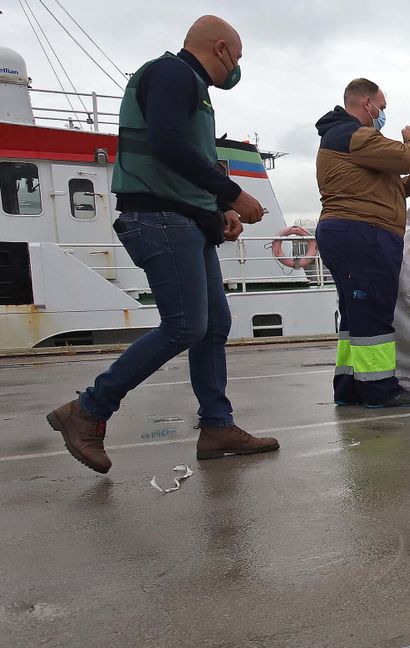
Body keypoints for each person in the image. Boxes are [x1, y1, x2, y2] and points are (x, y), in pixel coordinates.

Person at [47, 15, 276, 473]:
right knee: (186, 325)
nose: (237, 68)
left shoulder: (189, 85)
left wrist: (219, 210)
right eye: (238, 58)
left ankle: (217, 426)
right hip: (159, 219)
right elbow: (168, 143)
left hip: (182, 219)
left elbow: (176, 164)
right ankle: (88, 409)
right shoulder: (174, 73)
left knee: (213, 324)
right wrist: (233, 193)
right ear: (220, 49)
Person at [314, 78, 410, 408]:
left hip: (354, 232)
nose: (382, 114)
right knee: (373, 312)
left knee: (357, 315)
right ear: (366, 103)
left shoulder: (348, 140)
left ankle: (350, 386)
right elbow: (409, 156)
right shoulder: (353, 134)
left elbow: (385, 189)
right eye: (381, 107)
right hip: (362, 234)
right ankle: (380, 388)